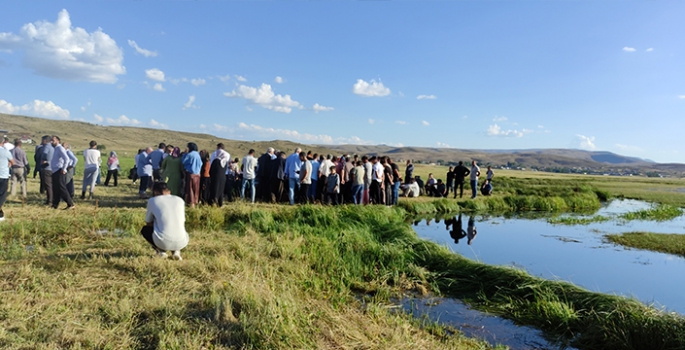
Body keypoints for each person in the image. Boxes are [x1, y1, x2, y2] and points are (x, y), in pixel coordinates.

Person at [142, 182, 189, 260]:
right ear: (168, 191)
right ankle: (176, 251)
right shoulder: (179, 199)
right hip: (182, 241)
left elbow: (148, 222)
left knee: (145, 230)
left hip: (162, 241)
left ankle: (160, 251)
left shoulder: (153, 200)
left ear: (155, 192)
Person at [49, 136, 75, 210]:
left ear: (58, 141)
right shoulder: (56, 149)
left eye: (53, 140)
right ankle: (55, 204)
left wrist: (64, 168)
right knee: (56, 188)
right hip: (55, 170)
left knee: (61, 188)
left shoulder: (60, 148)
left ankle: (70, 204)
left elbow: (66, 158)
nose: (51, 142)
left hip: (59, 170)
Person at [182, 143, 202, 207]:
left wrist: (185, 154)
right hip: (198, 174)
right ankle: (195, 201)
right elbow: (201, 163)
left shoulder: (190, 154)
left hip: (191, 173)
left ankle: (191, 203)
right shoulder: (198, 154)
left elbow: (183, 161)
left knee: (190, 189)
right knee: (196, 189)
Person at [0, 137, 14, 221]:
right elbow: (13, 162)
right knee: (2, 195)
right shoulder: (5, 152)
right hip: (3, 176)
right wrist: (8, 165)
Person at [40, 136, 55, 205]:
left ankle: (49, 201)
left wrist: (43, 160)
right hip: (52, 168)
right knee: (50, 185)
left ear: (45, 141)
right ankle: (51, 199)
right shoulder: (52, 147)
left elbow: (44, 155)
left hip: (46, 168)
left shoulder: (46, 147)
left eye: (42, 140)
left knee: (48, 185)